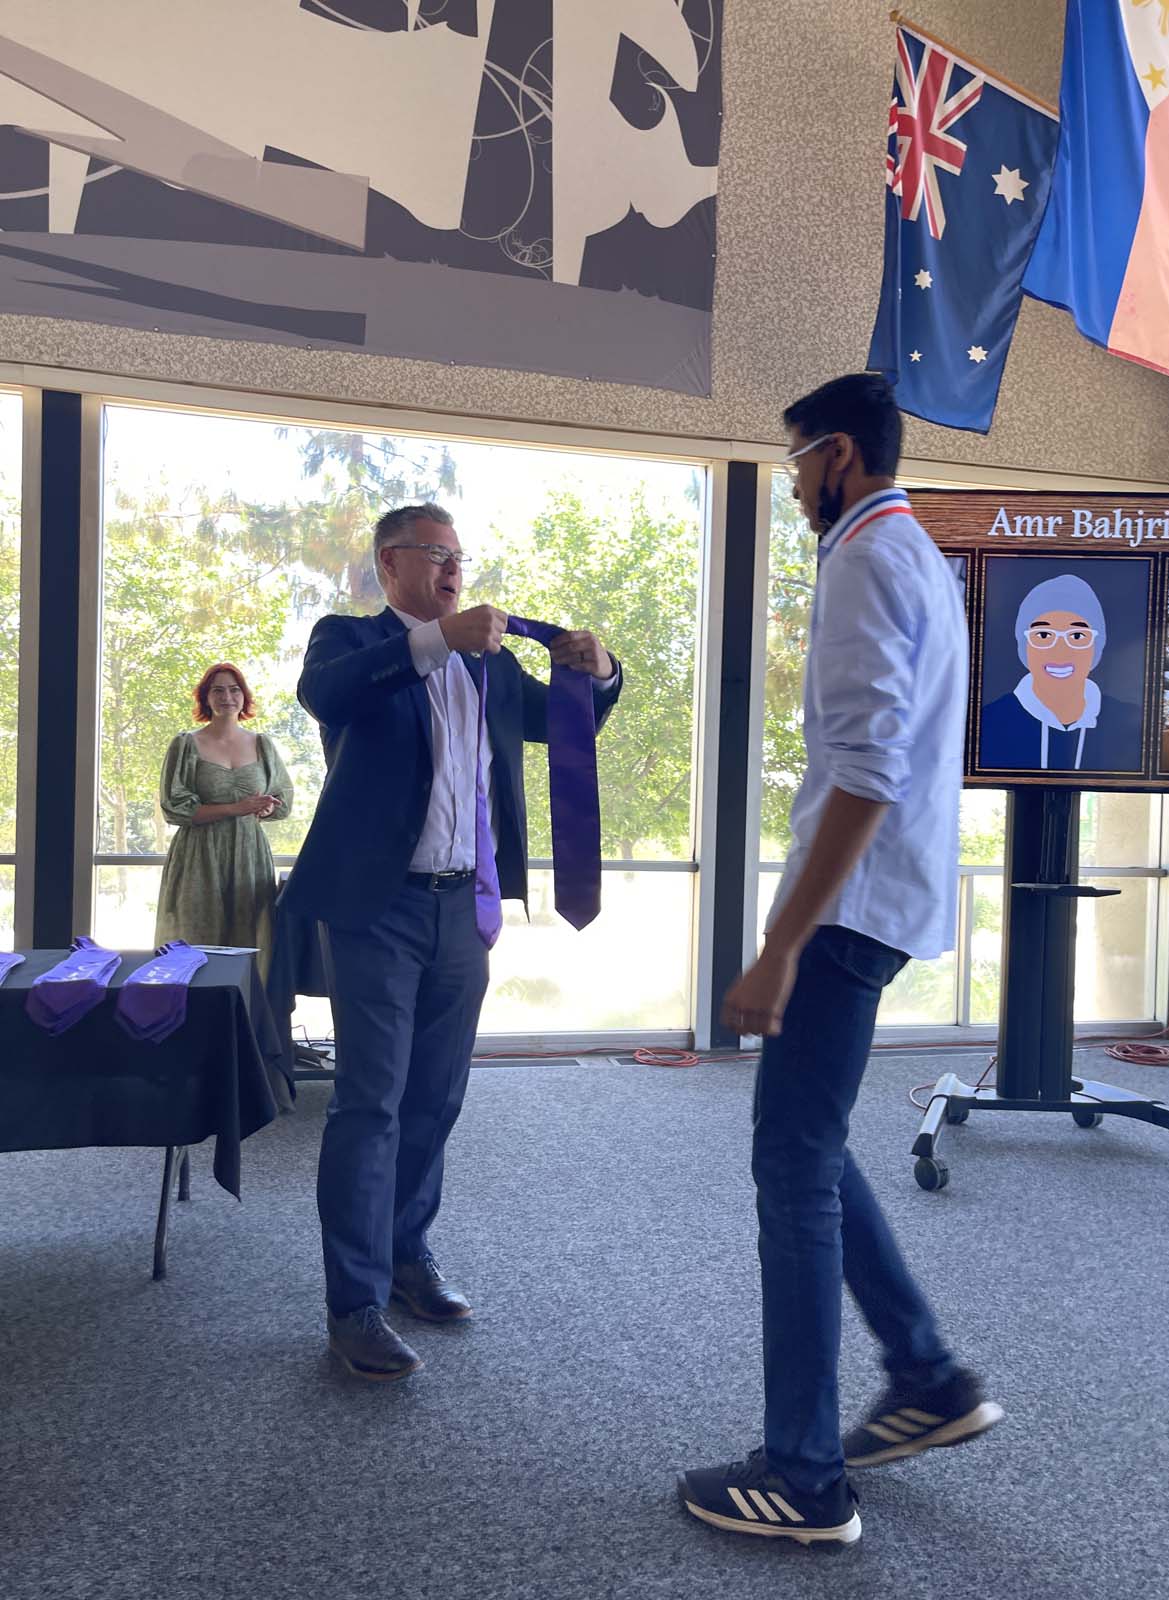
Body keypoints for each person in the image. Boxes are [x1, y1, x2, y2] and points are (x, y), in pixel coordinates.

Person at [677, 375, 1003, 1550]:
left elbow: (864, 771)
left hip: (848, 910)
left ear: (844, 458)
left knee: (790, 1163)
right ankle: (925, 1374)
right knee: (810, 1143)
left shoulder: (866, 559)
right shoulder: (916, 553)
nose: (794, 483)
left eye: (799, 460)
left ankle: (805, 1474)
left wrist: (778, 943)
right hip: (885, 901)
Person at [278, 503, 622, 1381]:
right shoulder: (349, 642)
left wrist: (601, 671)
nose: (453, 569)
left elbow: (566, 724)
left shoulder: (492, 666)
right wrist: (437, 641)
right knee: (371, 1103)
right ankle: (352, 1303)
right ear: (391, 564)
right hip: (375, 910)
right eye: (436, 555)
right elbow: (327, 697)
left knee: (435, 1099)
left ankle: (404, 1259)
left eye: (460, 557)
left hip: (461, 911)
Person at [156, 663, 293, 982]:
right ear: (205, 698)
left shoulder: (262, 744)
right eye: (217, 690)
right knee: (196, 940)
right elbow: (175, 809)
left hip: (249, 855)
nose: (227, 696)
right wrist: (238, 807)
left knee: (251, 943)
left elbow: (283, 800)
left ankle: (245, 1025)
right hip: (199, 857)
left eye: (234, 689)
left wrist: (266, 808)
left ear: (244, 698)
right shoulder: (186, 744)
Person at [978, 572, 1144, 772]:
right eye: (1044, 635)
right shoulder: (987, 723)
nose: (1060, 650)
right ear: (1024, 647)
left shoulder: (1132, 723)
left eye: (1076, 636)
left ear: (1097, 647)